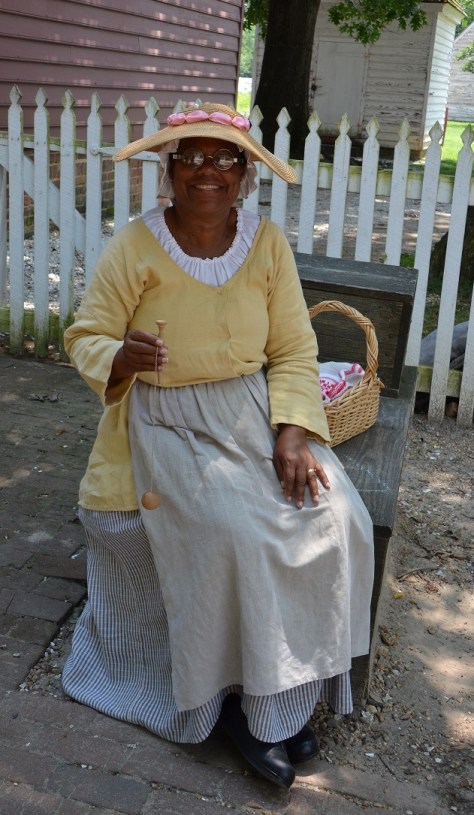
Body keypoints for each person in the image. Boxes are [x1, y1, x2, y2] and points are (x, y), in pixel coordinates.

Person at [63, 102, 374, 790]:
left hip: (250, 411)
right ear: (169, 169)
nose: (209, 170)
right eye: (192, 157)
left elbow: (293, 346)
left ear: (245, 175)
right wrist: (120, 356)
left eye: (225, 158)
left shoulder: (267, 245)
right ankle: (236, 703)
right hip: (161, 420)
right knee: (236, 531)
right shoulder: (135, 245)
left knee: (338, 516)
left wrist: (293, 432)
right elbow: (85, 335)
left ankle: (283, 696)